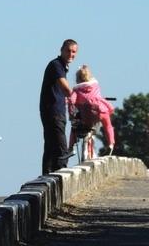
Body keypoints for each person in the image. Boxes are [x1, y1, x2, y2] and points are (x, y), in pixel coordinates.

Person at [40, 39, 78, 174]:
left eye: (74, 52)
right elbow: (65, 88)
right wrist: (80, 97)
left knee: (51, 147)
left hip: (55, 110)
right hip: (53, 111)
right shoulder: (56, 65)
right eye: (68, 51)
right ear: (61, 50)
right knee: (61, 149)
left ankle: (47, 174)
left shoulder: (61, 67)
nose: (70, 54)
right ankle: (60, 173)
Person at [66, 65, 115, 155]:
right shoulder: (95, 85)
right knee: (108, 126)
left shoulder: (77, 90)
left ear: (77, 79)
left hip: (86, 114)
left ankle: (70, 148)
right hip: (101, 110)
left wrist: (71, 115)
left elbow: (71, 101)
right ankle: (111, 144)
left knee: (74, 127)